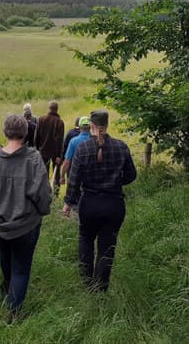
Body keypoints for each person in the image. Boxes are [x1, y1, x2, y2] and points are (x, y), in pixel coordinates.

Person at [0, 115, 52, 317]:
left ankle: (8, 290)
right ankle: (13, 311)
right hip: (26, 225)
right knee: (21, 269)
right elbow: (43, 195)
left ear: (4, 131)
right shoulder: (34, 160)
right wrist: (42, 211)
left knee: (5, 255)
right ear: (27, 133)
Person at [63, 110, 137, 292]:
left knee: (86, 239)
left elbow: (74, 180)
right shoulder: (121, 147)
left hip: (89, 203)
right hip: (114, 204)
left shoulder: (82, 148)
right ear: (107, 125)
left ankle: (86, 282)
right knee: (107, 246)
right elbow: (131, 175)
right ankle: (100, 288)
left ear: (92, 126)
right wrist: (116, 182)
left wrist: (68, 202)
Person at [34, 100, 65, 194]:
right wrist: (59, 156)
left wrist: (37, 148)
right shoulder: (59, 122)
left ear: (49, 108)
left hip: (43, 151)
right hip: (55, 153)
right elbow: (60, 141)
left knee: (44, 174)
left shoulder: (41, 119)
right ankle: (55, 194)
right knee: (56, 175)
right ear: (57, 109)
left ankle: (44, 193)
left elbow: (36, 136)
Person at [59, 116, 91, 190]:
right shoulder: (96, 140)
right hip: (91, 178)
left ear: (79, 127)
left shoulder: (73, 141)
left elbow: (67, 162)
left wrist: (62, 176)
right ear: (90, 126)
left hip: (75, 175)